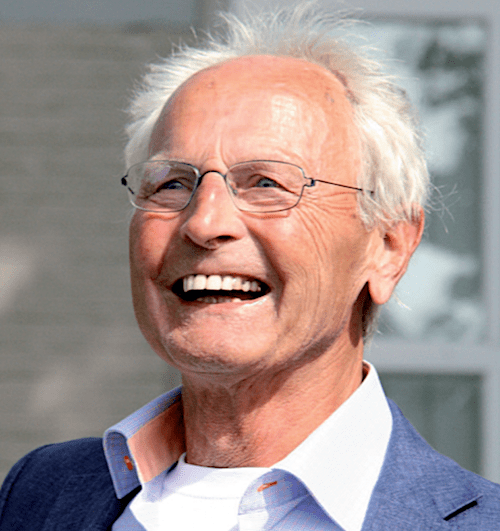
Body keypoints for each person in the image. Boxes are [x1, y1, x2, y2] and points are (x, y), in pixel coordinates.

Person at [1, 3, 499, 530]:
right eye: (172, 183)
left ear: (389, 247)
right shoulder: (40, 495)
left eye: (266, 183)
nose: (204, 222)